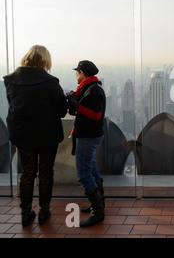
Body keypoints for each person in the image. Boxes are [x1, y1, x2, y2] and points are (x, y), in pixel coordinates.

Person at [3, 45, 67, 226]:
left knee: (27, 172)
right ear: (45, 61)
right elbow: (62, 110)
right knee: (46, 172)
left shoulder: (10, 80)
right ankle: (44, 211)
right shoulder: (50, 82)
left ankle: (25, 212)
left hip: (22, 134)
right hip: (47, 134)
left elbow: (13, 104)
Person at [67, 60, 106, 227]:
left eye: (77, 72)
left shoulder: (94, 90)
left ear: (82, 73)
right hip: (89, 135)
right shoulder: (86, 88)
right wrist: (75, 101)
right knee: (91, 168)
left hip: (89, 136)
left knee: (83, 174)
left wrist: (78, 105)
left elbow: (97, 115)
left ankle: (97, 212)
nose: (76, 75)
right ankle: (99, 204)